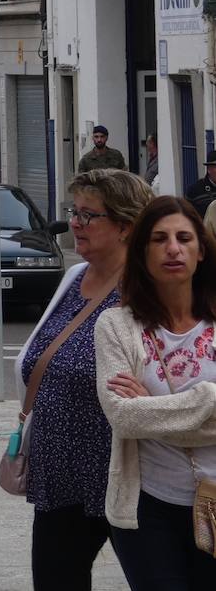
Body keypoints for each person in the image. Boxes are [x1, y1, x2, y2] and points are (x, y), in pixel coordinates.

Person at [15, 168, 152, 590]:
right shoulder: (74, 278)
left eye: (89, 215)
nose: (75, 222)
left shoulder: (147, 293)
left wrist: (151, 397)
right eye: (74, 211)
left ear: (127, 227)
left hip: (127, 477)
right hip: (60, 478)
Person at [96, 195, 216, 590]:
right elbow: (122, 416)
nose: (173, 248)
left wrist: (151, 406)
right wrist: (210, 401)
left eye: (184, 238)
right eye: (159, 239)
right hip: (148, 510)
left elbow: (139, 415)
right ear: (142, 253)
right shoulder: (115, 326)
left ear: (201, 251)